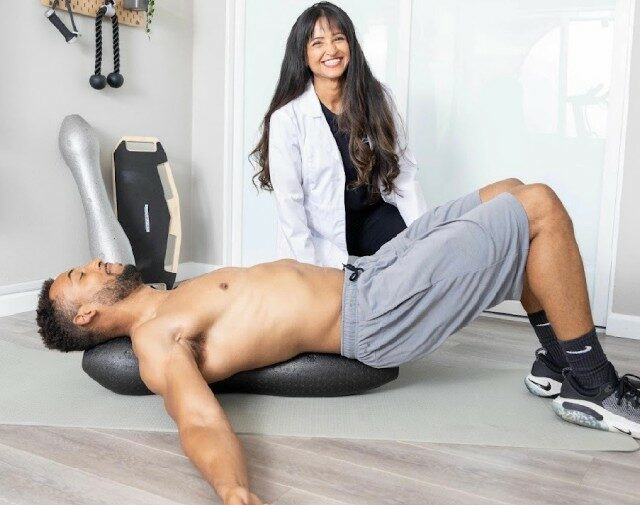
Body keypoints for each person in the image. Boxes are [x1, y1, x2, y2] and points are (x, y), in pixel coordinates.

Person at [36, 179, 640, 505]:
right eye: (81, 274)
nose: (96, 262)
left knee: (508, 190)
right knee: (538, 208)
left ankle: (556, 361)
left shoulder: (170, 296)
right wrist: (232, 489)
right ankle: (592, 383)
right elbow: (197, 419)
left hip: (369, 273)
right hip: (372, 313)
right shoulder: (156, 339)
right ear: (86, 314)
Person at [250, 2, 427, 266]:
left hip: (374, 221)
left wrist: (426, 237)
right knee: (336, 289)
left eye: (338, 39)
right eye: (317, 43)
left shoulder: (377, 99)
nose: (331, 50)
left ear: (351, 45)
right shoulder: (287, 118)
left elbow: (403, 176)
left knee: (418, 264)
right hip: (322, 237)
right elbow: (290, 205)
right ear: (303, 55)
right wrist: (308, 272)